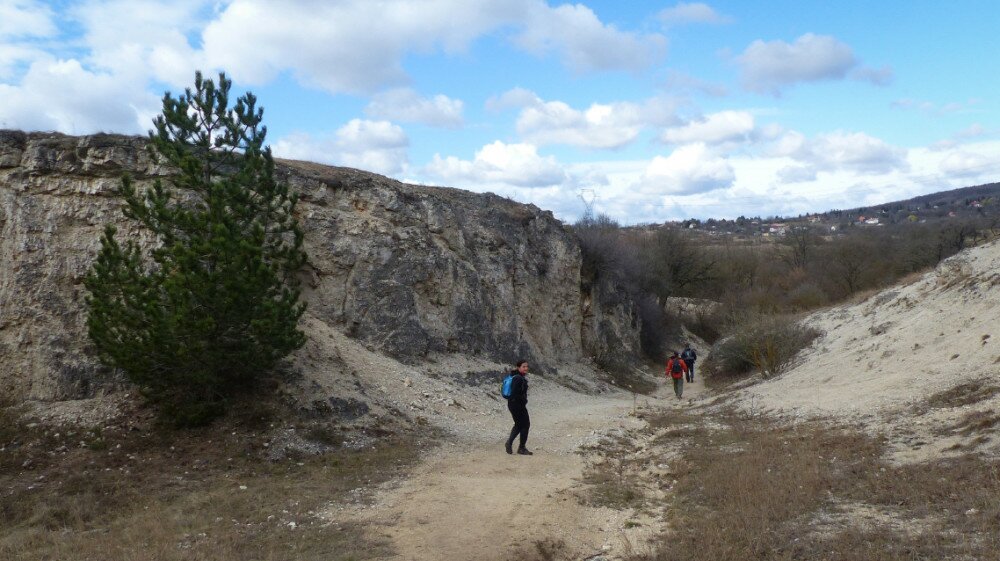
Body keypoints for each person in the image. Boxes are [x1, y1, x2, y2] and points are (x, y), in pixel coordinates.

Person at [505, 360, 532, 455]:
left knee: (519, 424)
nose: (526, 368)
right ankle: (521, 448)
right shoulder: (518, 378)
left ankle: (511, 443)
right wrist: (523, 400)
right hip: (517, 405)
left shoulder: (515, 376)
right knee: (525, 425)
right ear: (518, 367)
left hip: (514, 404)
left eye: (527, 366)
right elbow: (515, 393)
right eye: (524, 366)